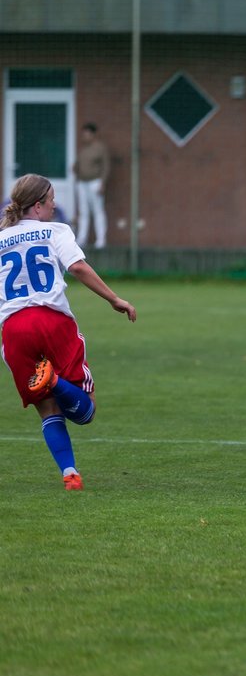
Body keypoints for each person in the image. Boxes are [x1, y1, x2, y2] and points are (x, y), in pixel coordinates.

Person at [1, 174, 137, 491]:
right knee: (85, 412)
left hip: (14, 329)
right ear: (37, 206)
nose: (55, 206)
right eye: (51, 201)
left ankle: (70, 474)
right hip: (52, 322)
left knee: (47, 410)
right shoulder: (55, 230)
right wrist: (114, 298)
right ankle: (55, 380)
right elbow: (76, 266)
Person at [73, 122, 110, 249]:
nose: (85, 137)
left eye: (87, 134)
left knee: (98, 211)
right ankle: (81, 239)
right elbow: (77, 165)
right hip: (82, 183)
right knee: (83, 212)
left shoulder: (100, 148)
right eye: (84, 134)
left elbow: (106, 166)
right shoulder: (83, 149)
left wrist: (103, 183)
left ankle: (101, 240)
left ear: (93, 134)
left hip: (95, 182)